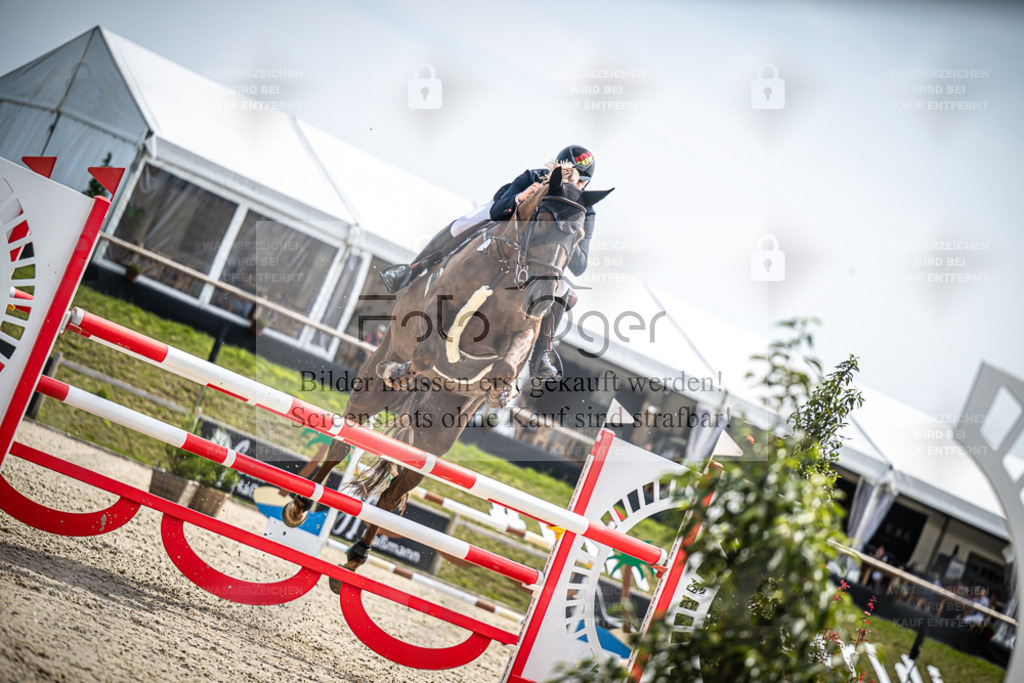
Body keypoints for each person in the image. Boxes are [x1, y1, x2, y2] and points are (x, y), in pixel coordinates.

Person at [378, 145, 598, 380]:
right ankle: (412, 270)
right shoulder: (533, 177)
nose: (575, 185)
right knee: (462, 224)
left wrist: (571, 234)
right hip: (503, 228)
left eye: (582, 182)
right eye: (571, 177)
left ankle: (542, 353)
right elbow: (497, 210)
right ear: (556, 171)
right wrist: (520, 197)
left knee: (561, 288)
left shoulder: (585, 209)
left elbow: (580, 266)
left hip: (539, 256)